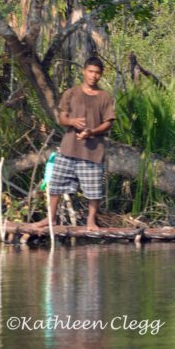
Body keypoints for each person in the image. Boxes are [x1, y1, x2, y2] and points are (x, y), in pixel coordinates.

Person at [35, 57, 115, 230]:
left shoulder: (105, 97)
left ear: (101, 74)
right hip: (69, 148)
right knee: (55, 184)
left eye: (97, 73)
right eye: (91, 71)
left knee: (94, 189)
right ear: (84, 71)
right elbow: (61, 118)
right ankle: (51, 218)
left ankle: (91, 222)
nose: (94, 76)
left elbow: (109, 122)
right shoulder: (71, 93)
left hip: (93, 151)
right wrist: (72, 122)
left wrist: (92, 132)